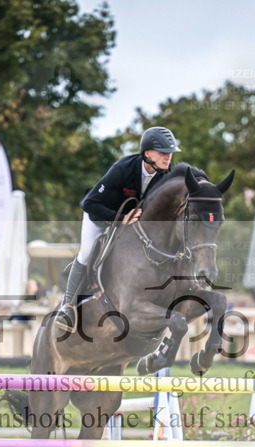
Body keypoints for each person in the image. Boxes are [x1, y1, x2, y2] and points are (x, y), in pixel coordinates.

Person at [54, 126, 182, 332]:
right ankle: (67, 307)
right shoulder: (123, 168)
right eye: (163, 153)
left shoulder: (163, 175)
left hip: (129, 221)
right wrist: (120, 219)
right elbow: (90, 204)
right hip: (99, 216)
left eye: (170, 153)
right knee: (86, 254)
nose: (168, 157)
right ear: (147, 153)